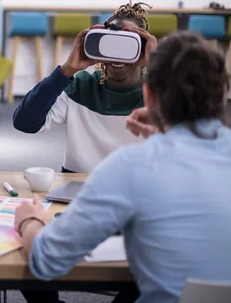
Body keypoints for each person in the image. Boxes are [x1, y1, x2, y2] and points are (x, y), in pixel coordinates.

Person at [15, 32, 231, 303]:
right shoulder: (82, 88)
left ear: (148, 95)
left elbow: (45, 260)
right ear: (224, 93)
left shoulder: (131, 165)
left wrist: (28, 219)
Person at [13, 0, 157, 173]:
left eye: (126, 44)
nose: (117, 56)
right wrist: (66, 70)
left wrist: (156, 68)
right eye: (111, 44)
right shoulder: (80, 86)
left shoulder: (157, 92)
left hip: (134, 190)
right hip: (79, 188)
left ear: (142, 48)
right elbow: (25, 122)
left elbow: (189, 135)